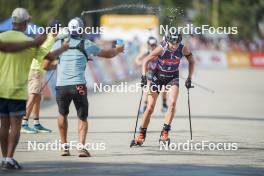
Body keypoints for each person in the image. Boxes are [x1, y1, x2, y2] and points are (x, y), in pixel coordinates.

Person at [0, 8, 68, 170]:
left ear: (13, 21)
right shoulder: (30, 43)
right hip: (17, 90)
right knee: (16, 125)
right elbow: (49, 58)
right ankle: (9, 157)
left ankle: (4, 158)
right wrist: (63, 49)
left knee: (3, 125)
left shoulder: (2, 37)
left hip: (1, 89)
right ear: (25, 23)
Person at [53, 17, 124, 157]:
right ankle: (81, 148)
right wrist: (118, 49)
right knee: (82, 117)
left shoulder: (58, 43)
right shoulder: (86, 44)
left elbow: (48, 60)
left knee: (62, 114)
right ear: (81, 30)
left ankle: (64, 147)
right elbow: (108, 54)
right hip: (78, 85)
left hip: (61, 85)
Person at [134, 31, 195, 146]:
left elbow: (191, 61)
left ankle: (165, 133)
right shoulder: (160, 48)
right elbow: (145, 61)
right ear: (167, 41)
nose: (175, 46)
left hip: (172, 78)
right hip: (158, 77)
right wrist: (143, 75)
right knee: (150, 107)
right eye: (173, 43)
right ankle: (141, 134)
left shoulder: (183, 49)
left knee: (172, 104)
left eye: (177, 43)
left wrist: (189, 78)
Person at [21, 19, 63, 134]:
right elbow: (45, 61)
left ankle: (36, 123)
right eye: (57, 29)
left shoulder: (49, 37)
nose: (58, 31)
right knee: (33, 96)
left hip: (37, 70)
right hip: (36, 71)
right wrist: (54, 64)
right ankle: (24, 123)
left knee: (37, 97)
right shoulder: (50, 40)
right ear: (53, 30)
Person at [134, 36, 168, 114]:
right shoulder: (146, 52)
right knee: (147, 89)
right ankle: (144, 106)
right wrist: (142, 64)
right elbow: (137, 60)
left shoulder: (160, 51)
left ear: (156, 44)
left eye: (154, 44)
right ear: (148, 45)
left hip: (160, 72)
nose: (153, 46)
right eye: (151, 45)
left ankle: (164, 104)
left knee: (164, 88)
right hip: (150, 73)